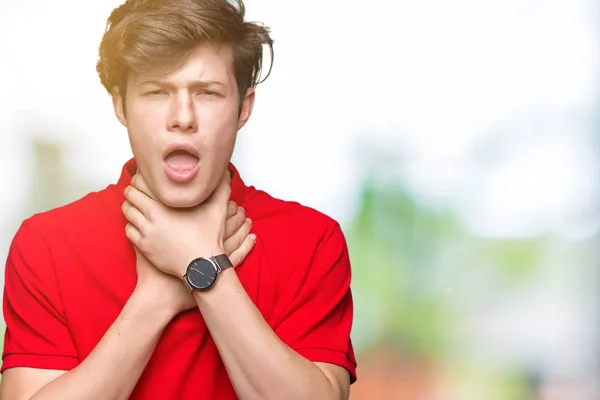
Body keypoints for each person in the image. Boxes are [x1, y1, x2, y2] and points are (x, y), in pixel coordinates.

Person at [0, 0, 357, 399]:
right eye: (156, 91)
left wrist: (204, 269)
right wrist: (155, 299)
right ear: (121, 105)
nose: (183, 116)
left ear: (244, 108)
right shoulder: (47, 244)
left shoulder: (311, 241)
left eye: (207, 92)